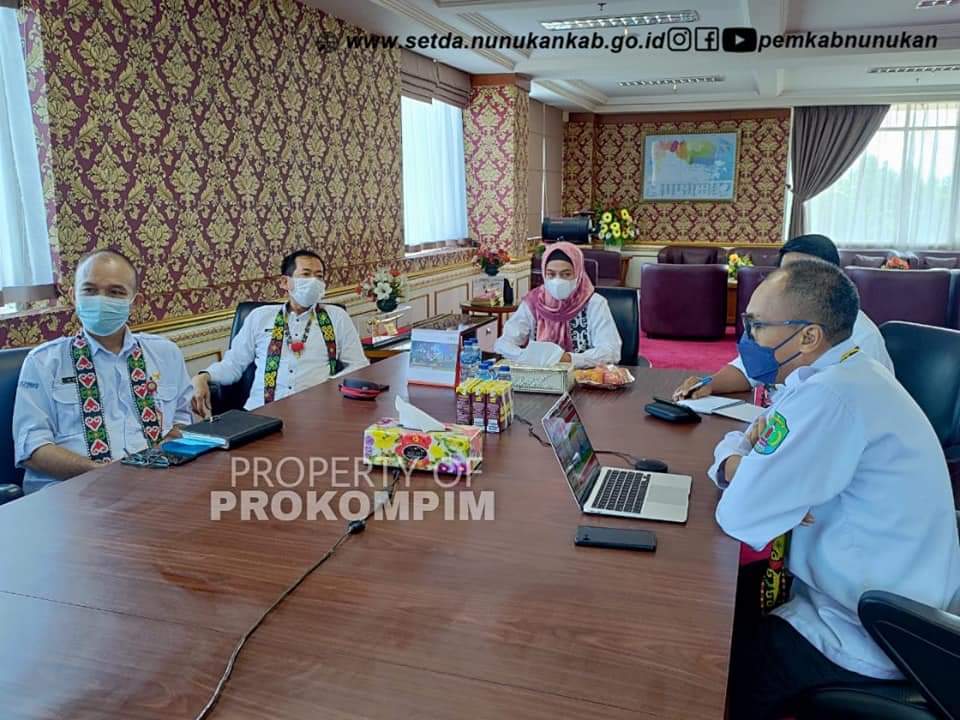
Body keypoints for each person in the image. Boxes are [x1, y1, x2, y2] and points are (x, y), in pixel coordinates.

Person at [707, 260, 960, 719]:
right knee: (728, 599)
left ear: (808, 336)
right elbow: (750, 446)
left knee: (715, 666)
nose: (747, 339)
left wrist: (742, 467)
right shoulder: (844, 372)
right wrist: (745, 465)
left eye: (757, 325)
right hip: (894, 590)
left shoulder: (830, 397)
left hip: (870, 630)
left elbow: (740, 511)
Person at [12, 249, 194, 494]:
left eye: (115, 292)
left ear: (135, 302)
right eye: (89, 290)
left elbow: (184, 420)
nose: (101, 300)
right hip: (72, 491)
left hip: (158, 485)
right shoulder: (43, 362)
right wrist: (101, 473)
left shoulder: (166, 354)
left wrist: (169, 449)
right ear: (73, 297)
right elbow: (33, 449)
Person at [673, 234, 894, 401]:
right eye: (786, 273)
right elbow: (750, 369)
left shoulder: (862, 337)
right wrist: (709, 384)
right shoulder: (777, 320)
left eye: (805, 275)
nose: (793, 283)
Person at [192, 250, 368, 414]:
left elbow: (358, 364)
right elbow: (233, 364)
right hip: (260, 413)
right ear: (285, 282)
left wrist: (328, 388)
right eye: (306, 274)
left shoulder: (336, 317)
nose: (314, 281)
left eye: (319, 276)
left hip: (317, 413)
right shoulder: (259, 317)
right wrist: (203, 376)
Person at [495, 242, 622, 368]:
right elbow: (504, 343)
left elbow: (610, 352)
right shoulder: (534, 301)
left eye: (566, 274)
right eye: (551, 274)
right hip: (541, 376)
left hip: (583, 376)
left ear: (578, 273)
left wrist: (567, 359)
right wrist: (526, 356)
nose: (558, 280)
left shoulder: (594, 303)